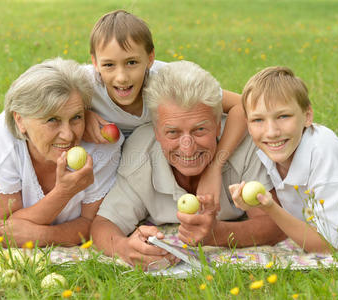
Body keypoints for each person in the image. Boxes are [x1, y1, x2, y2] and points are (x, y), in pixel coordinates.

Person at [91, 61, 286, 268]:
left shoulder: (246, 146)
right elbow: (104, 224)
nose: (187, 148)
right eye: (173, 133)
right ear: (156, 131)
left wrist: (216, 234)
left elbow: (275, 224)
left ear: (219, 124)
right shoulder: (140, 155)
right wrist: (123, 247)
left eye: (199, 130)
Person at [83, 9, 248, 210]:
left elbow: (243, 105)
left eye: (132, 62)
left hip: (161, 158)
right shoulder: (84, 85)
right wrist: (81, 116)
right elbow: (38, 102)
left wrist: (215, 167)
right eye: (108, 65)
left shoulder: (168, 79)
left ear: (150, 58)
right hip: (113, 163)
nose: (121, 77)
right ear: (94, 63)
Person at [0, 58, 123, 247]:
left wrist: (43, 235)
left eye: (76, 117)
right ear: (20, 120)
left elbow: (95, 224)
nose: (68, 135)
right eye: (53, 120)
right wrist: (64, 192)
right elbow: (0, 230)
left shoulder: (101, 147)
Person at [229, 66, 338, 253]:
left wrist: (270, 208)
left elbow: (325, 245)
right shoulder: (264, 145)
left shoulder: (323, 151)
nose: (271, 132)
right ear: (248, 124)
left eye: (283, 116)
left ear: (307, 116)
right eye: (258, 120)